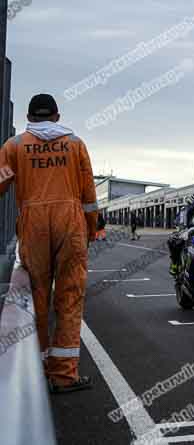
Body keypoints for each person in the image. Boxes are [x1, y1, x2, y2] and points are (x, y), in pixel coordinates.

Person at [0, 93, 98, 393]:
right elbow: (89, 195)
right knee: (70, 296)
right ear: (57, 117)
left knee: (36, 297)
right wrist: (90, 230)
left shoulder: (15, 146)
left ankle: (37, 368)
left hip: (34, 225)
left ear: (29, 118)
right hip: (70, 224)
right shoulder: (75, 144)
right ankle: (64, 375)